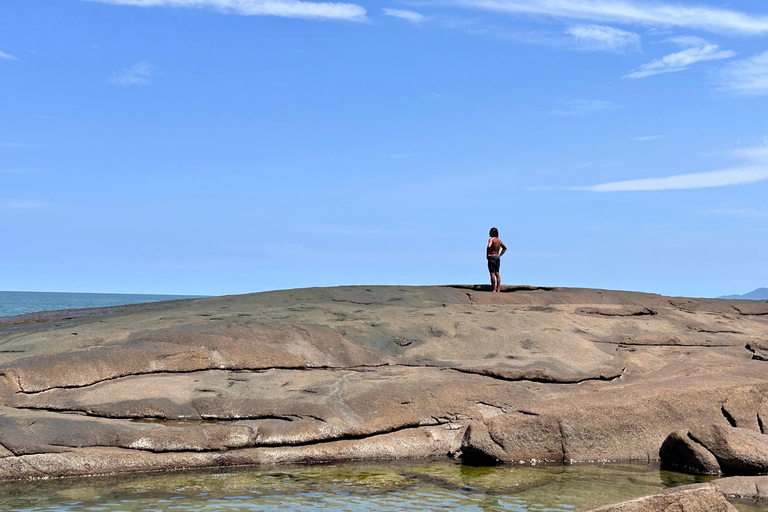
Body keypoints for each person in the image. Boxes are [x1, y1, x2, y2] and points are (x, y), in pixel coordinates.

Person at [486, 227, 506, 292]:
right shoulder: (499, 240)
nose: (489, 233)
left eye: (490, 232)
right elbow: (504, 248)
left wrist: (487, 254)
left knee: (492, 273)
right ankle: (498, 288)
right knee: (497, 273)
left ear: (493, 233)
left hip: (492, 256)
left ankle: (494, 289)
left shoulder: (491, 239)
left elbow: (489, 246)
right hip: (497, 257)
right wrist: (500, 255)